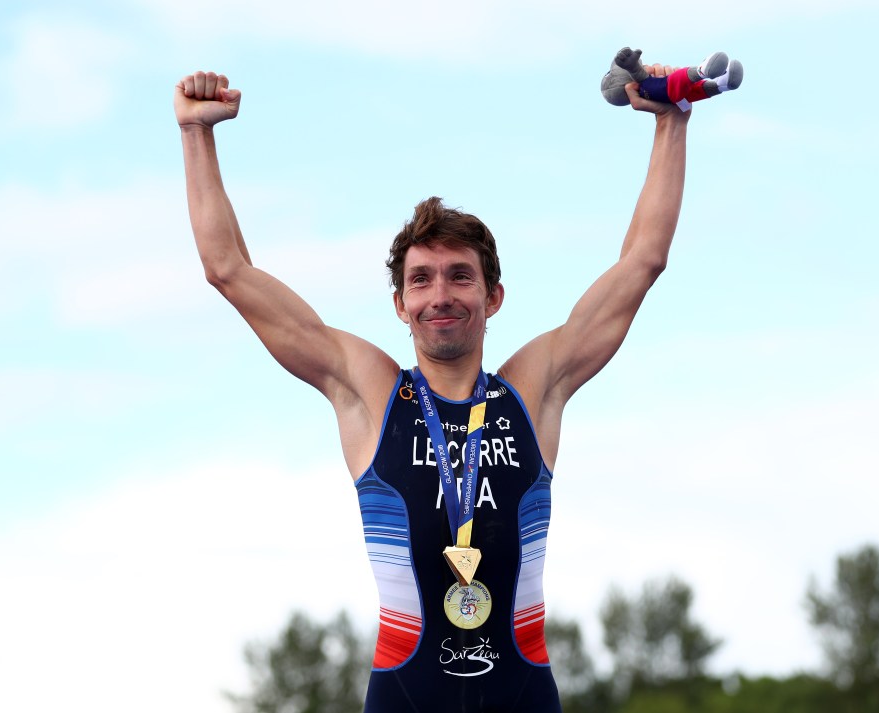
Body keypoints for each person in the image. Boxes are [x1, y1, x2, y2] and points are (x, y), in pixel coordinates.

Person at [175, 64, 689, 712]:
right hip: (406, 695)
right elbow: (229, 270)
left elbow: (642, 262)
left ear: (493, 295)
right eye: (421, 280)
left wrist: (671, 123)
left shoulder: (530, 392)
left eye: (458, 276)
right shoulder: (371, 392)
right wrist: (197, 134)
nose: (439, 295)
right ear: (399, 304)